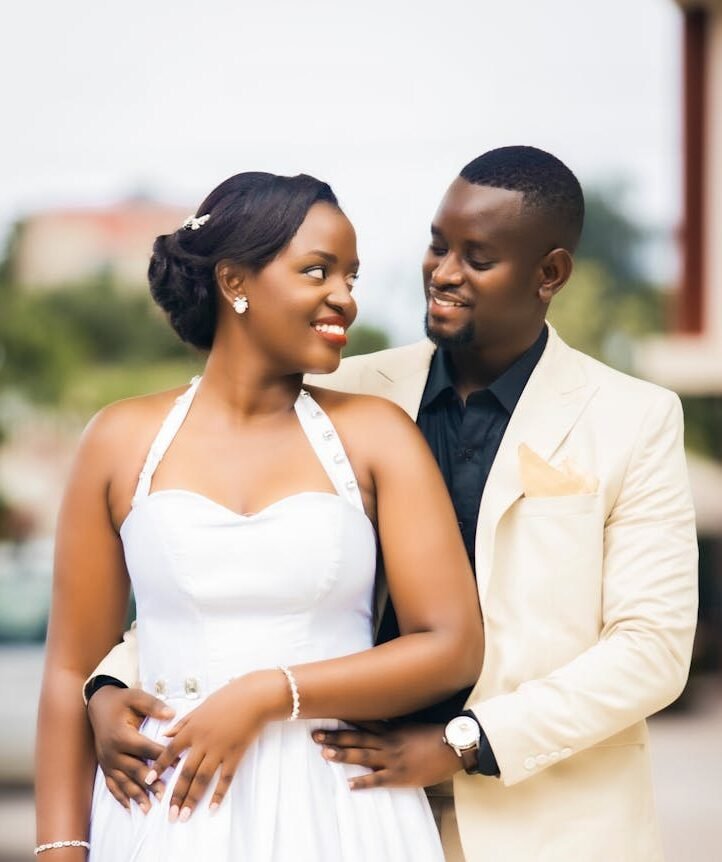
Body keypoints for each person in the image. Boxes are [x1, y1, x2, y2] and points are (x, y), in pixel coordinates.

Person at [82, 147, 698, 862]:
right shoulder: (345, 391)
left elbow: (650, 650)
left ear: (549, 274)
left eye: (477, 256)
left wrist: (462, 744)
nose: (442, 271)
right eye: (438, 244)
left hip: (548, 823)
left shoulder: (634, 417)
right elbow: (239, 570)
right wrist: (111, 680)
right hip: (346, 803)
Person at [35, 171, 486, 861]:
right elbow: (72, 671)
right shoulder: (120, 439)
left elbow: (451, 644)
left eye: (352, 277)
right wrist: (60, 849)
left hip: (338, 808)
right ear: (234, 282)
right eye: (317, 271)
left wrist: (270, 694)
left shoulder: (377, 436)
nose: (346, 297)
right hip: (162, 811)